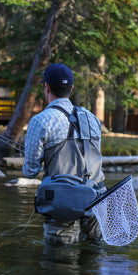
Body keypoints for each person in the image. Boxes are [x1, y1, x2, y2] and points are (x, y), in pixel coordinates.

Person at [23, 63, 106, 244]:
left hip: (63, 204)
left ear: (46, 87)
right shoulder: (93, 119)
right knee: (94, 262)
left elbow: (30, 171)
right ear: (71, 88)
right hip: (97, 200)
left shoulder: (40, 121)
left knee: (60, 263)